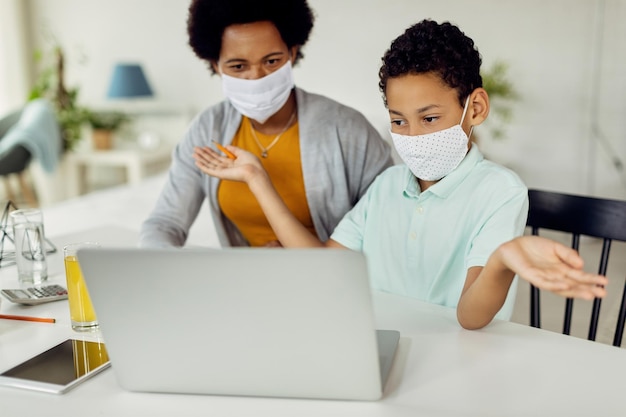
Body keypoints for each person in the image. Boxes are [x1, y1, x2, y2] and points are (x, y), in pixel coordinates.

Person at [192, 19, 608, 329]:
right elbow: (323, 265)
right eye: (398, 120)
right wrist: (256, 178)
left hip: (458, 359)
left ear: (475, 109)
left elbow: (470, 317)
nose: (412, 135)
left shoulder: (499, 191)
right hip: (376, 346)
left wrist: (502, 260)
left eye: (429, 118)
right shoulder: (387, 185)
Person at [139, 0, 393, 248]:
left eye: (271, 61)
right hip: (248, 281)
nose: (256, 77)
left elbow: (389, 224)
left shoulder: (347, 129)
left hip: (333, 275)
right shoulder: (208, 129)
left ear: (292, 53)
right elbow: (164, 223)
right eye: (238, 66)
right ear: (216, 66)